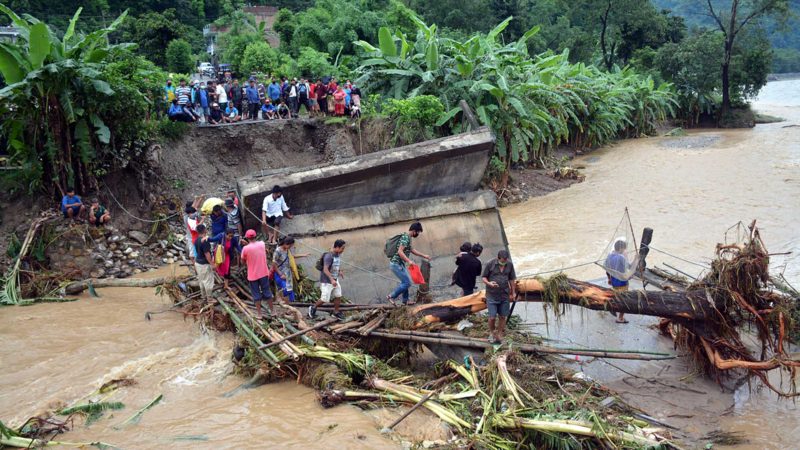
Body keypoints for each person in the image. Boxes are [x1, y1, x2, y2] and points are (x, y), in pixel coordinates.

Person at [386, 222, 431, 305]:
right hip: (396, 264)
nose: (418, 234)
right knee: (407, 283)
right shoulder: (405, 237)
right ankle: (391, 296)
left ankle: (405, 301)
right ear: (414, 230)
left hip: (400, 264)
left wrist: (424, 255)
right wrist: (409, 261)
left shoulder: (408, 238)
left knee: (405, 282)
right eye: (418, 232)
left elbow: (412, 250)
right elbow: (400, 251)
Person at [482, 250, 517, 344]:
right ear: (498, 258)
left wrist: (513, 293)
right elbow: (484, 277)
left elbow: (512, 279)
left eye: (505, 260)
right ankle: (492, 332)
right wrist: (489, 283)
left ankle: (500, 334)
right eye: (502, 260)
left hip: (504, 295)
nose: (504, 262)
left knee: (502, 316)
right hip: (492, 295)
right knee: (492, 317)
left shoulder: (509, 265)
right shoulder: (490, 264)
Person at [309, 239, 346, 320]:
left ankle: (336, 312)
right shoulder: (329, 256)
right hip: (327, 281)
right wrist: (332, 280)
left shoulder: (337, 255)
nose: (343, 250)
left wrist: (339, 272)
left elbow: (335, 265)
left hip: (335, 280)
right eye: (342, 248)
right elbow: (325, 269)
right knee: (324, 299)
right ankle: (313, 307)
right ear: (337, 247)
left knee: (338, 295)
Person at [241, 229, 273, 319]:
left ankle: (259, 314)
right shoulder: (262, 244)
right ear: (255, 236)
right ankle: (273, 311)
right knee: (267, 292)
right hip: (263, 273)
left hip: (253, 275)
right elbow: (264, 250)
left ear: (247, 238)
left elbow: (243, 261)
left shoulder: (245, 249)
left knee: (256, 294)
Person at [605, 238, 633, 324]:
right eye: (624, 248)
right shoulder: (621, 258)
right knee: (624, 300)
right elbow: (629, 267)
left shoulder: (609, 256)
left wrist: (609, 278)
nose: (625, 250)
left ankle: (612, 306)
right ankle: (620, 318)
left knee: (617, 296)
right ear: (621, 248)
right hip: (622, 282)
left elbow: (607, 269)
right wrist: (636, 261)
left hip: (614, 281)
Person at [193, 224, 217, 301]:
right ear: (204, 230)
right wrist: (212, 264)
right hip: (204, 264)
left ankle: (203, 296)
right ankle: (209, 298)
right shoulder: (204, 241)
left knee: (201, 280)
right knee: (208, 281)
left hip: (198, 263)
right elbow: (207, 254)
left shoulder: (196, 240)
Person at [272, 236, 297, 302]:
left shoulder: (287, 250)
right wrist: (280, 274)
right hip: (280, 274)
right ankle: (286, 306)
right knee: (285, 290)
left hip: (287, 274)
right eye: (290, 245)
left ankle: (291, 307)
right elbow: (274, 263)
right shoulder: (278, 251)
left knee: (290, 290)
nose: (290, 247)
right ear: (286, 243)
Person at [184, 196, 204, 263]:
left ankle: (197, 264)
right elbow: (194, 207)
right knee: (193, 254)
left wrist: (199, 199)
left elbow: (195, 207)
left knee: (196, 252)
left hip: (195, 236)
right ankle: (195, 265)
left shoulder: (191, 214)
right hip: (191, 236)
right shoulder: (187, 216)